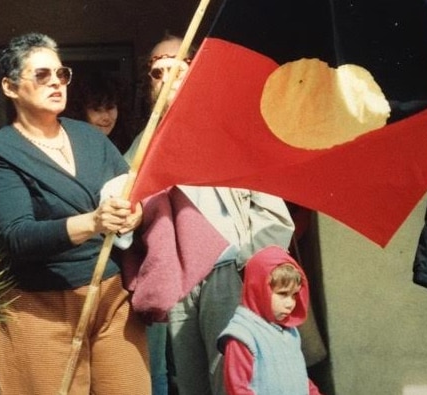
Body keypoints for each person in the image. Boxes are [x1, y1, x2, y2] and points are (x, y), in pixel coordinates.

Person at [0, 32, 150, 394]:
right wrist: (94, 222)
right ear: (9, 87)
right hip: (40, 306)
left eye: (61, 74)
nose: (56, 81)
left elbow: (133, 194)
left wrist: (135, 214)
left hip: (111, 295)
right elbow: (17, 236)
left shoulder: (90, 137)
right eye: (41, 75)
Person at [124, 34, 295, 395]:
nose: (168, 78)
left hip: (228, 273)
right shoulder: (141, 146)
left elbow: (271, 211)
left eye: (179, 68)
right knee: (191, 385)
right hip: (178, 284)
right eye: (158, 72)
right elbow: (126, 204)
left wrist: (250, 267)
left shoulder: (230, 130)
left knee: (234, 380)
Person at [217, 245, 322, 395]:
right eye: (283, 294)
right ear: (258, 289)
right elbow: (237, 388)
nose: (290, 303)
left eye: (294, 295)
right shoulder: (242, 337)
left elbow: (300, 377)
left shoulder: (290, 332)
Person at [64, 72, 135, 153]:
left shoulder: (127, 144)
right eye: (97, 110)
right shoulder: (71, 148)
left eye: (110, 108)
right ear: (81, 112)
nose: (106, 117)